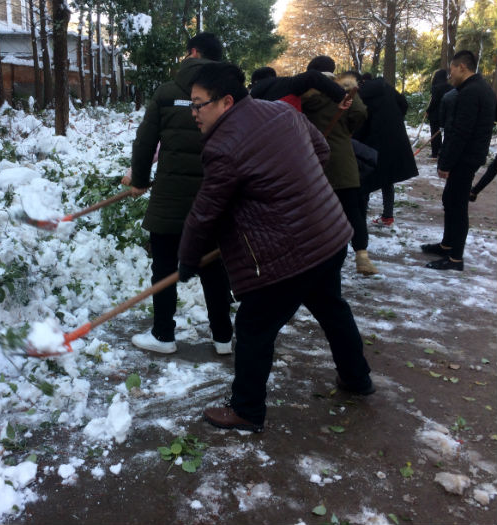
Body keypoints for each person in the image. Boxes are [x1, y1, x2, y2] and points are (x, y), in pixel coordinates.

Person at [178, 62, 374, 432]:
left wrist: (187, 260)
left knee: (253, 325)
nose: (194, 114)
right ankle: (357, 378)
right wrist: (293, 189)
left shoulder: (223, 146)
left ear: (226, 101)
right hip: (329, 235)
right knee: (332, 308)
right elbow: (321, 152)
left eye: (198, 104)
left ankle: (247, 410)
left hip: (292, 252)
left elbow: (205, 214)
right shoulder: (282, 111)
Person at [122, 32, 233, 355]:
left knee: (165, 267)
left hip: (170, 197)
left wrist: (139, 179)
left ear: (193, 52)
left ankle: (163, 334)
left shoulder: (167, 92)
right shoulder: (228, 94)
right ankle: (223, 337)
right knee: (214, 268)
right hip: (213, 198)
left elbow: (145, 142)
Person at [421, 50, 497, 271]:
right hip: (469, 156)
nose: (449, 75)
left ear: (462, 67)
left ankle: (455, 259)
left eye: (452, 70)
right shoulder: (479, 88)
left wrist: (446, 163)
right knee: (450, 199)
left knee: (457, 205)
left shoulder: (472, 92)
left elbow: (461, 132)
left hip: (465, 158)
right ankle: (447, 245)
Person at [302, 56, 378, 275]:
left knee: (316, 212)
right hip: (343, 159)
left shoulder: (306, 94)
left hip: (312, 160)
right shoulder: (346, 91)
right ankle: (362, 256)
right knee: (352, 209)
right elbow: (359, 113)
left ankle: (319, 257)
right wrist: (346, 131)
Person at [346, 72, 418, 227]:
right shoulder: (386, 87)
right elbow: (403, 104)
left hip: (371, 140)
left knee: (363, 178)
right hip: (393, 138)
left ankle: (359, 221)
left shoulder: (359, 94)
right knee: (388, 177)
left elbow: (356, 117)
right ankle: (388, 215)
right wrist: (393, 120)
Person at [250, 65, 347, 112]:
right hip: (291, 137)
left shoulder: (248, 98)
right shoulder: (286, 83)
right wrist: (341, 96)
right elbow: (312, 76)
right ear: (273, 76)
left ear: (254, 81)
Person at [427, 69, 453, 158]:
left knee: (435, 133)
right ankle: (443, 151)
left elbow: (434, 102)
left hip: (435, 115)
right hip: (446, 114)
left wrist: (428, 110)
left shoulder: (436, 87)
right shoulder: (450, 87)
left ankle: (435, 152)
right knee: (446, 133)